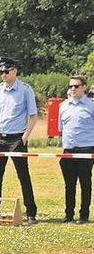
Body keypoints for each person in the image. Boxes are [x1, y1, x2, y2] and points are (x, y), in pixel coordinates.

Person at [0, 57, 38, 224]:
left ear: (15, 70)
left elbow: (33, 115)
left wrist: (24, 137)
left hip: (16, 139)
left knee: (23, 175)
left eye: (6, 71)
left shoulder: (25, 90)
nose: (3, 74)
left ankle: (31, 212)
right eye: (1, 72)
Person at [58, 75, 94, 224]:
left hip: (86, 149)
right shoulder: (63, 106)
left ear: (84, 87)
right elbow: (61, 129)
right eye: (70, 86)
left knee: (85, 184)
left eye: (76, 86)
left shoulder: (91, 106)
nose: (72, 89)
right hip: (68, 150)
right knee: (69, 185)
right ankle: (68, 214)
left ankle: (84, 215)